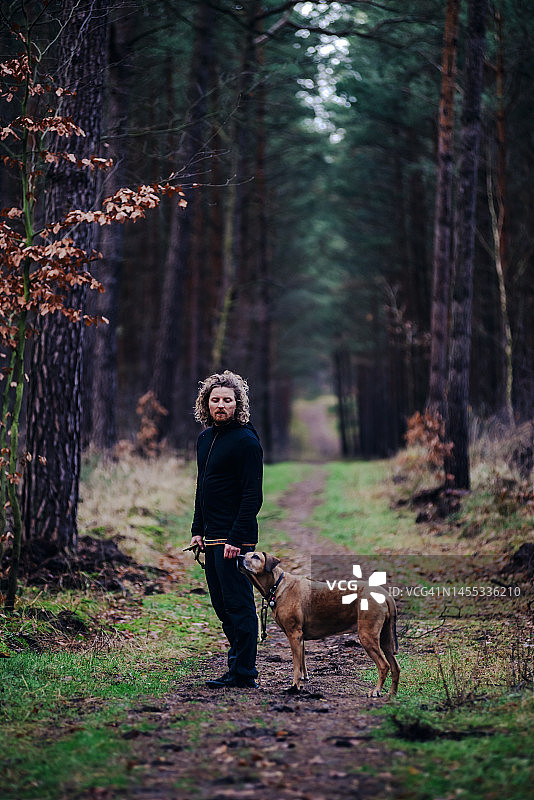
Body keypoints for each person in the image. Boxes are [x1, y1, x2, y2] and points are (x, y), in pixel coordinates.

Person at [189, 370, 263, 688]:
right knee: (222, 606)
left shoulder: (246, 440)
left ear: (238, 404)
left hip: (235, 540)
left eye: (228, 401)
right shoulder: (205, 439)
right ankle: (236, 666)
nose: (221, 405)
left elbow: (252, 495)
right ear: (206, 403)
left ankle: (244, 672)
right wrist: (197, 529)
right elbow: (201, 488)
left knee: (239, 604)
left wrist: (236, 538)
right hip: (211, 537)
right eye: (215, 400)